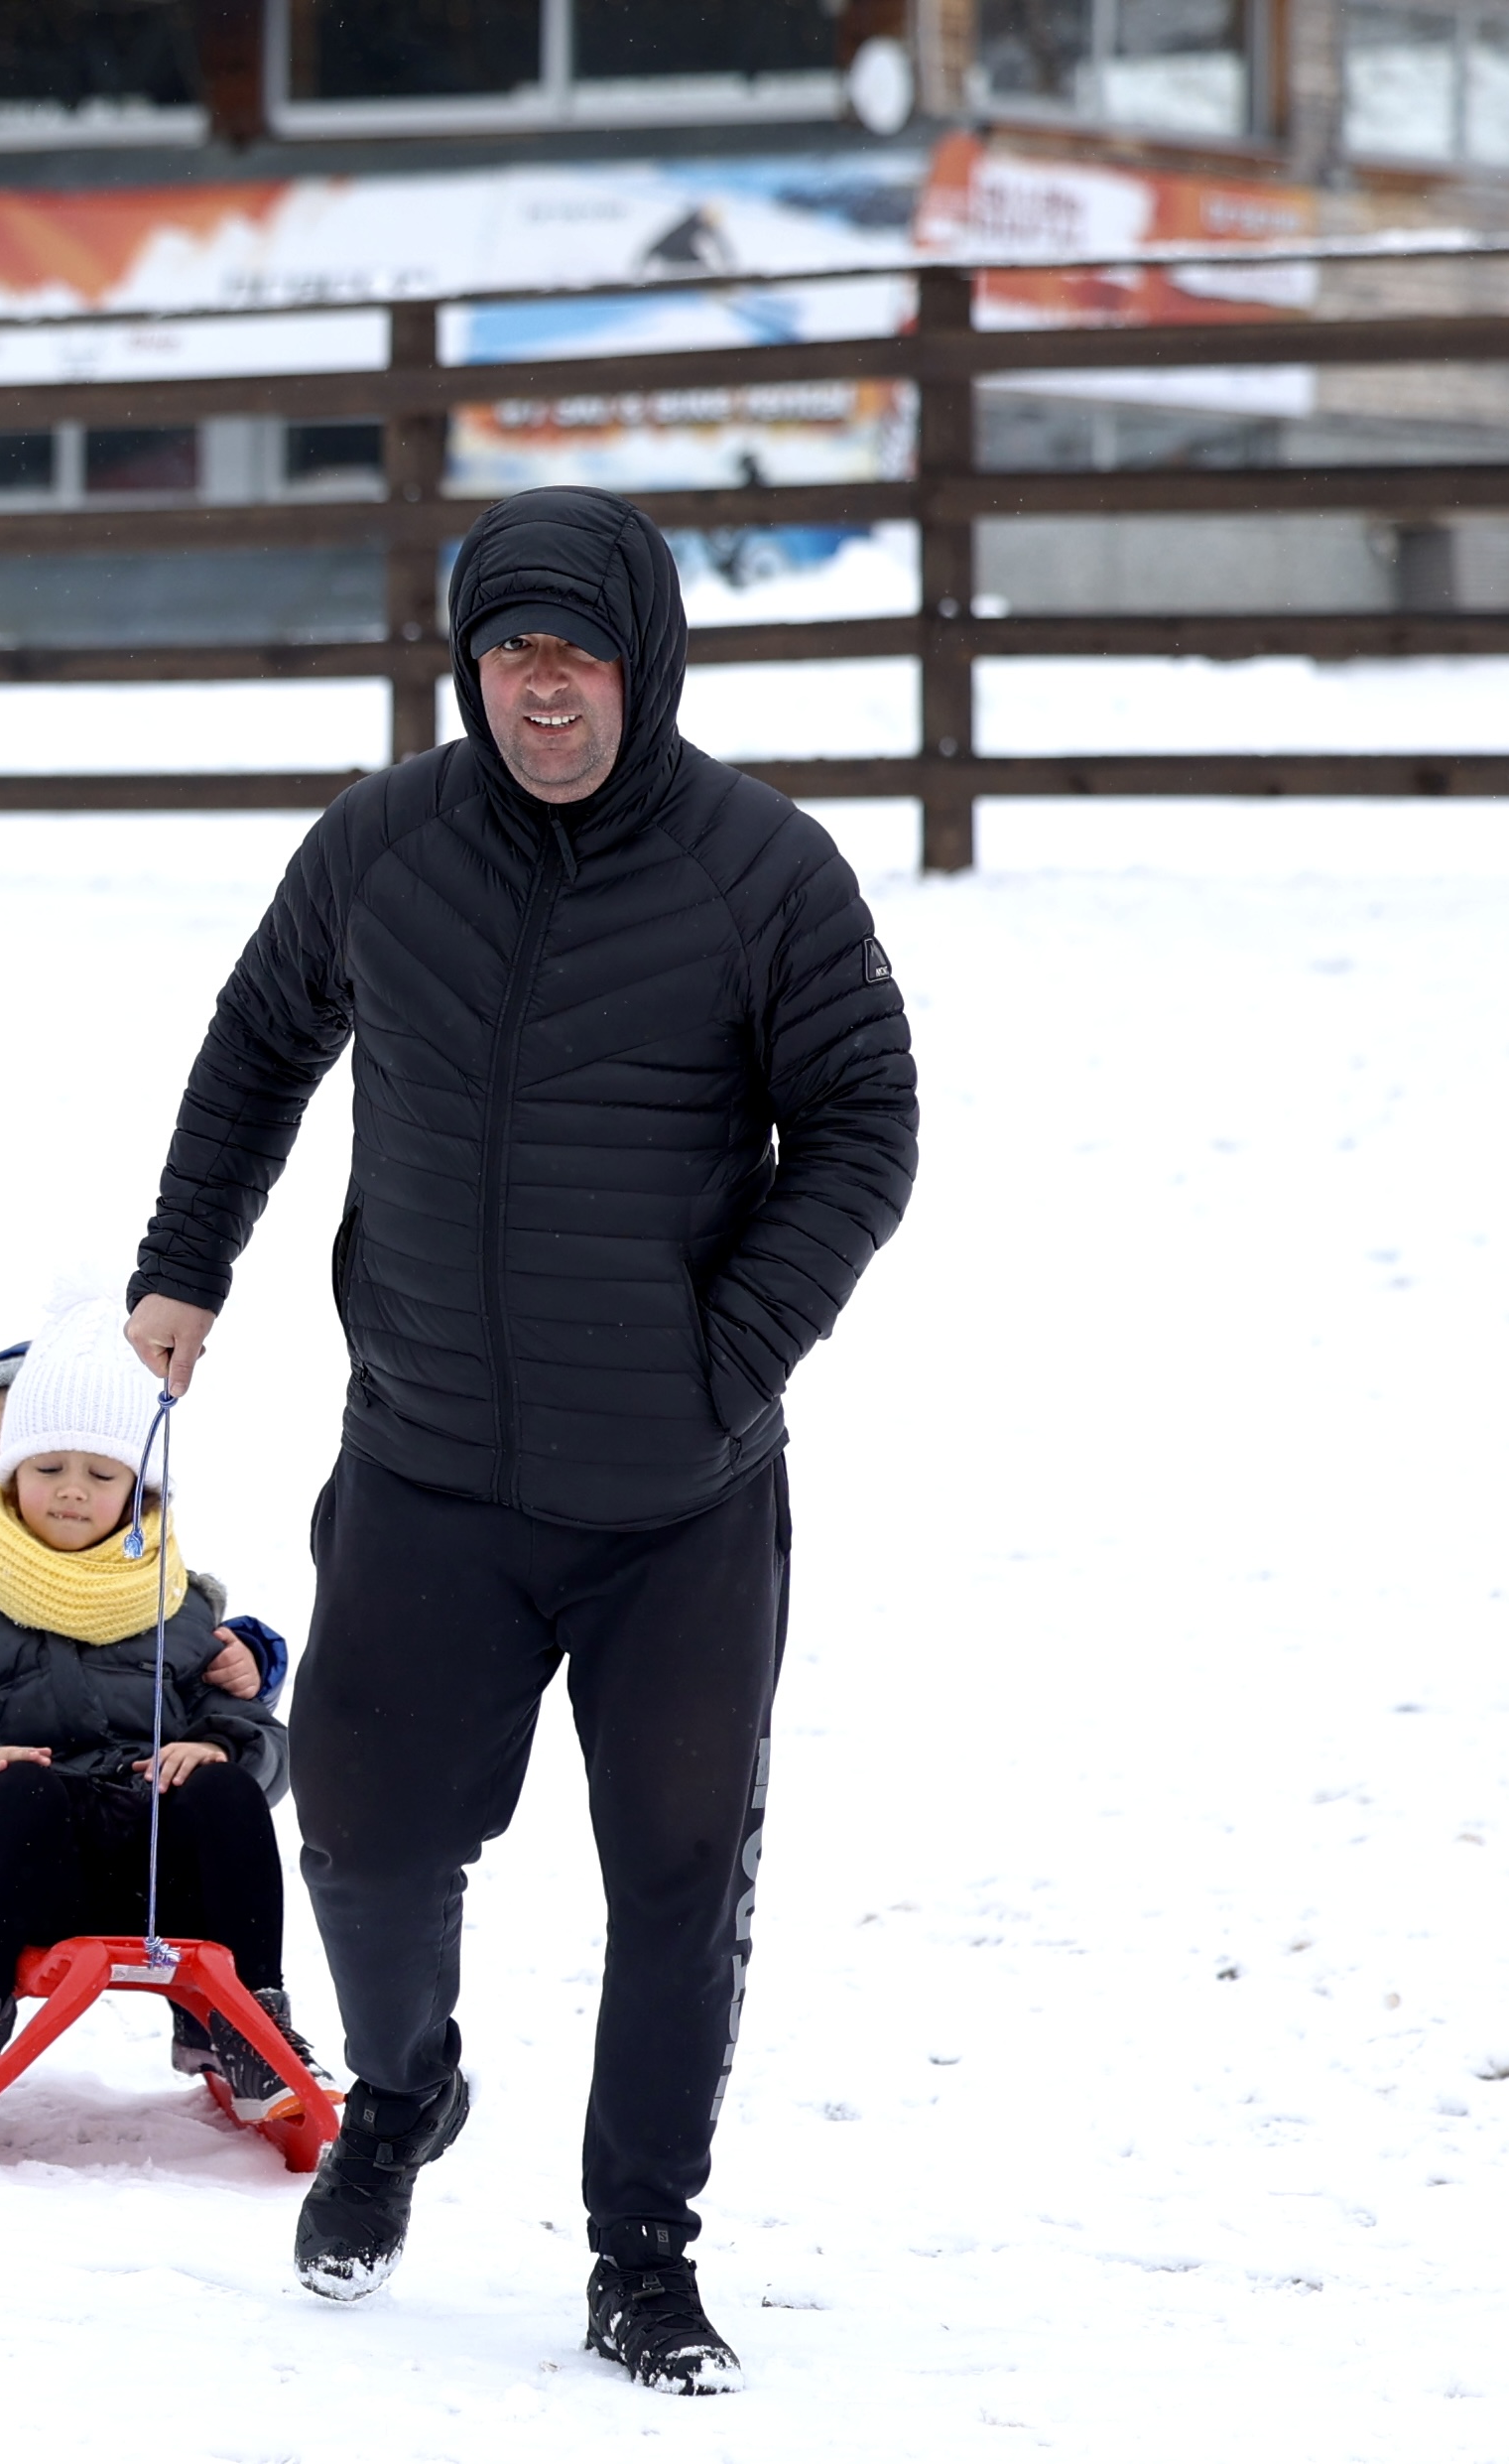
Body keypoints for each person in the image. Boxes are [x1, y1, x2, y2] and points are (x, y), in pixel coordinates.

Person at [120, 485, 918, 2393]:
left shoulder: (762, 872)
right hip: (426, 1468)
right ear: (462, 664)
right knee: (371, 1837)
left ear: (640, 661)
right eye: (504, 656)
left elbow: (863, 1129)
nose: (536, 694)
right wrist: (182, 1261)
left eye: (571, 658)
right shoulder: (382, 844)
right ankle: (399, 2093)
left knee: (673, 1876)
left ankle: (640, 2253)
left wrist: (722, 1357)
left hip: (675, 1500)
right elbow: (255, 1044)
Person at [0, 1298, 304, 2119]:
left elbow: (259, 1736)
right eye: (46, 1469)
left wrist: (220, 1749)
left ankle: (252, 2019)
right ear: (0, 1479)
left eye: (101, 1475)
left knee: (227, 1789)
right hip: (29, 1874)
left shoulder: (184, 1610)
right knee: (21, 1788)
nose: (71, 1493)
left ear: (139, 1488)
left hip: (160, 1871)